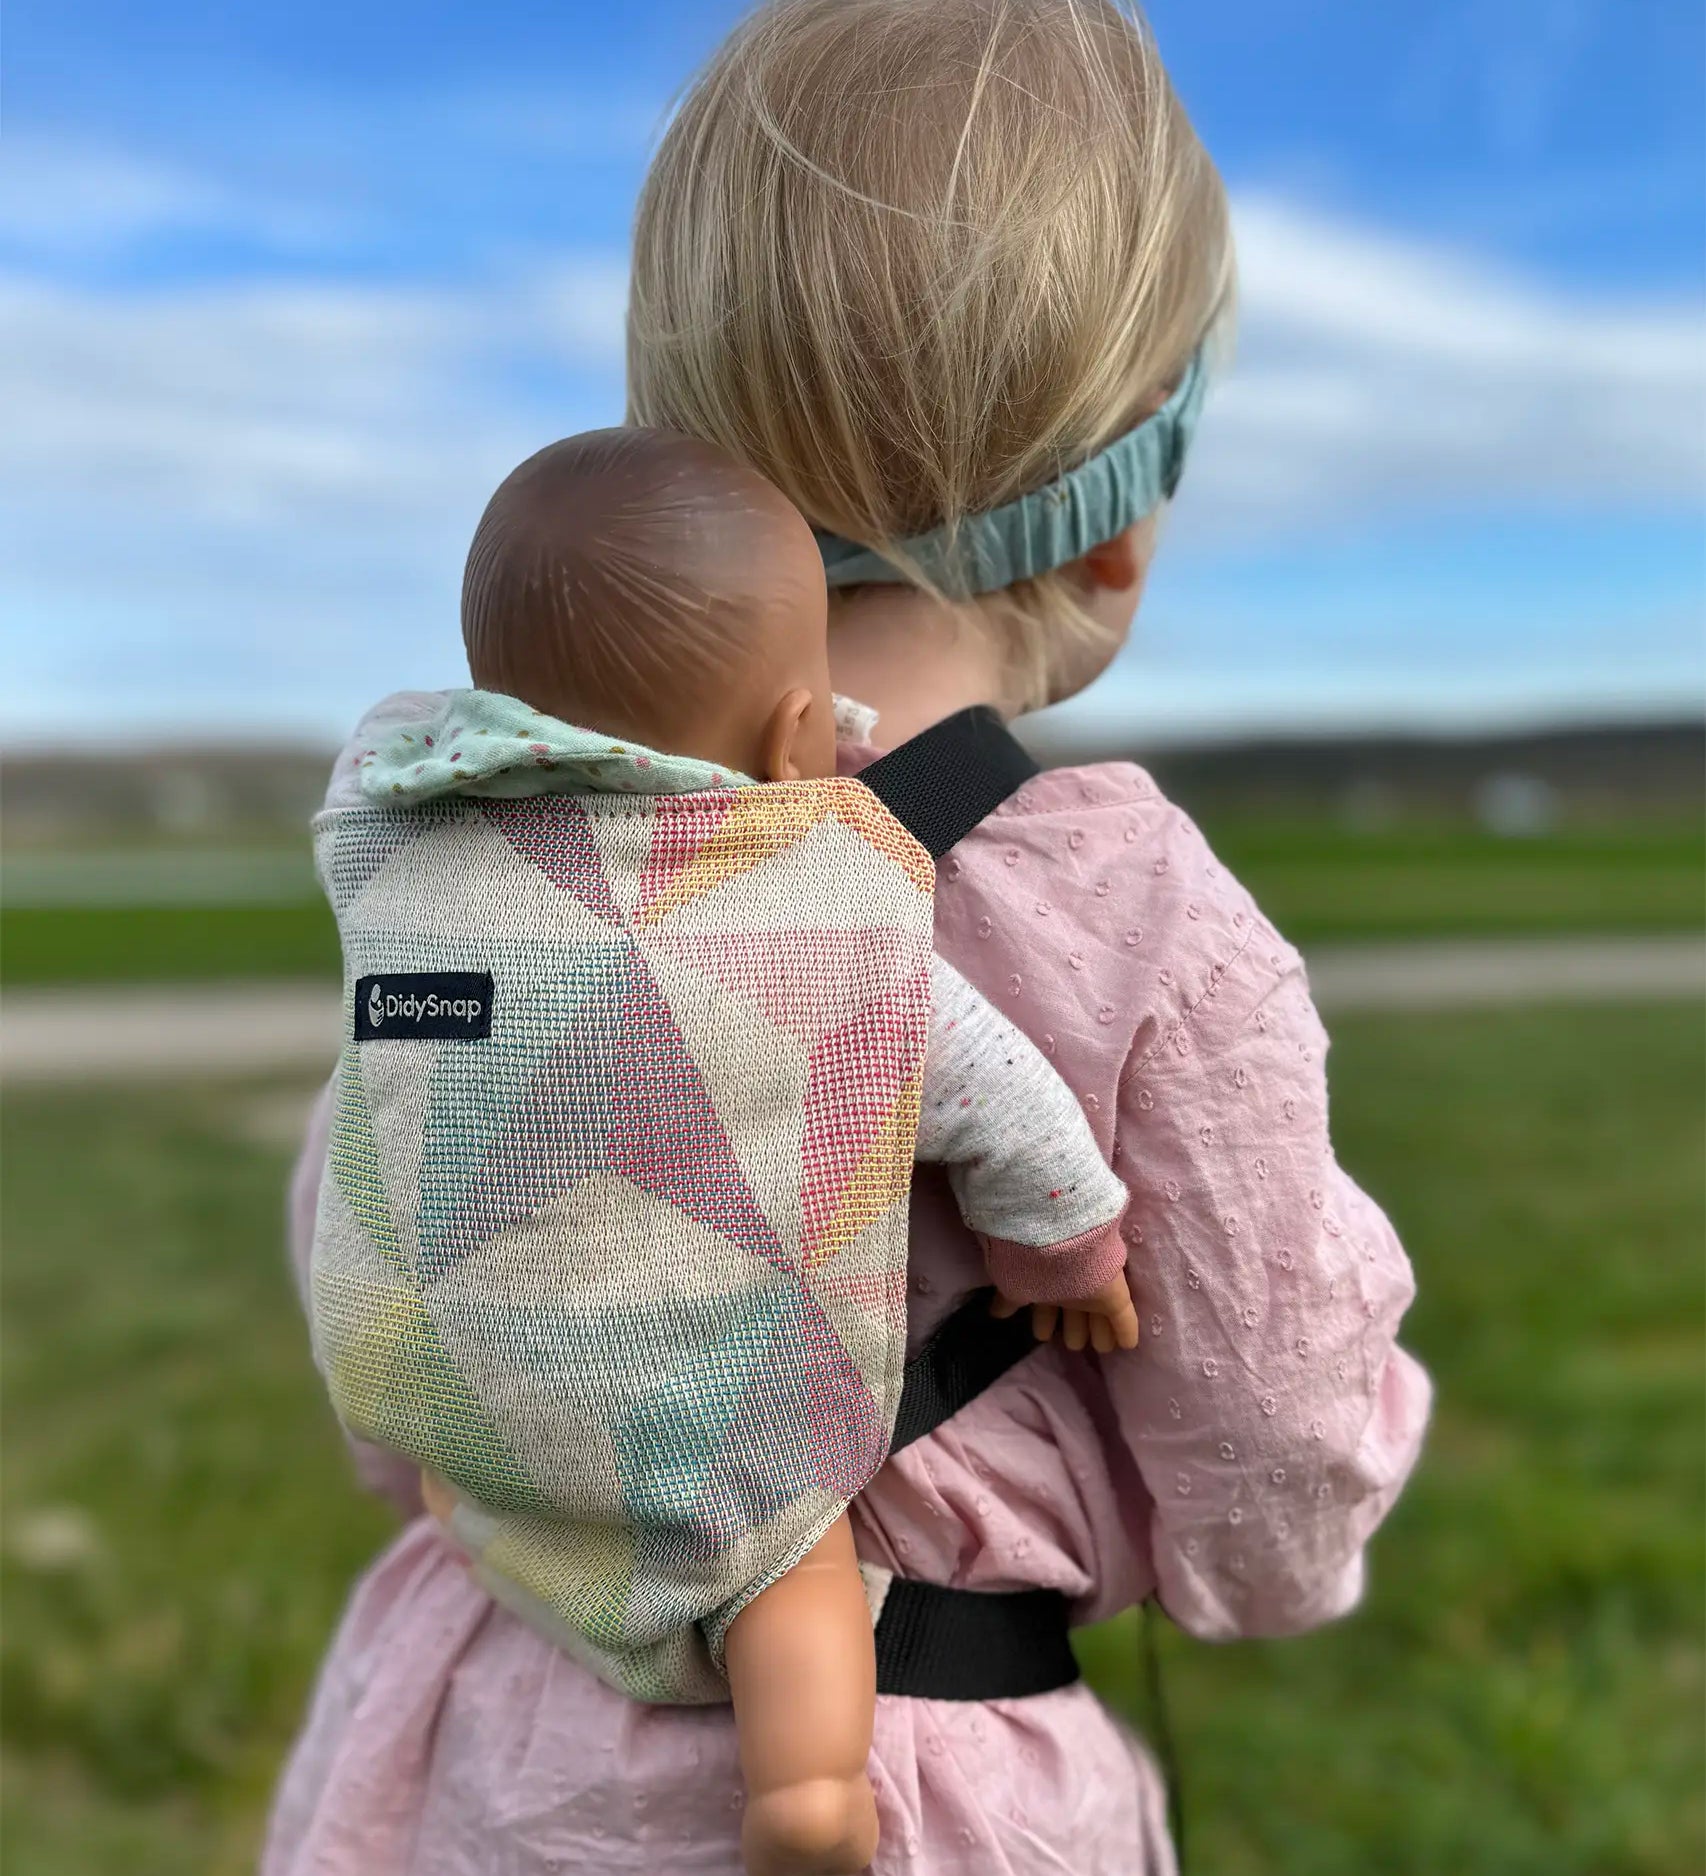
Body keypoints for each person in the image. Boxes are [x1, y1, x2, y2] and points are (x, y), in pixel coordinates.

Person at [265, 3, 1431, 1870]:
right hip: (924, 1777)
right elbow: (1267, 1433)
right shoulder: (1137, 931)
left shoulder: (483, 855)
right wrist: (1272, 1555)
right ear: (1120, 537)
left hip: (490, 1734)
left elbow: (376, 1239)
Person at [310, 425, 1134, 1876]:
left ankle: (515, 1520)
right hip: (712, 1455)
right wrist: (1059, 1244)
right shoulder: (820, 923)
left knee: (494, 1497)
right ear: (792, 739)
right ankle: (804, 1795)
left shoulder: (418, 876)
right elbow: (1001, 1098)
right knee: (790, 1571)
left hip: (469, 1428)